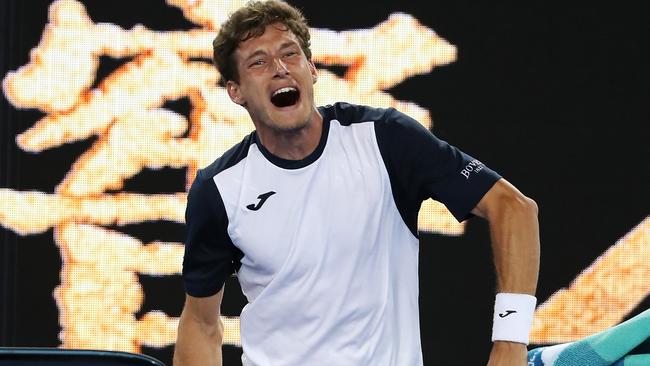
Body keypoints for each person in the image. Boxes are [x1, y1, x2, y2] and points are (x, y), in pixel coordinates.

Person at [173, 1, 540, 365]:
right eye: (259, 62)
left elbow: (514, 208)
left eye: (290, 54)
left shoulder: (385, 140)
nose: (280, 69)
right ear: (236, 92)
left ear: (312, 69)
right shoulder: (219, 188)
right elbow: (201, 323)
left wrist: (510, 342)